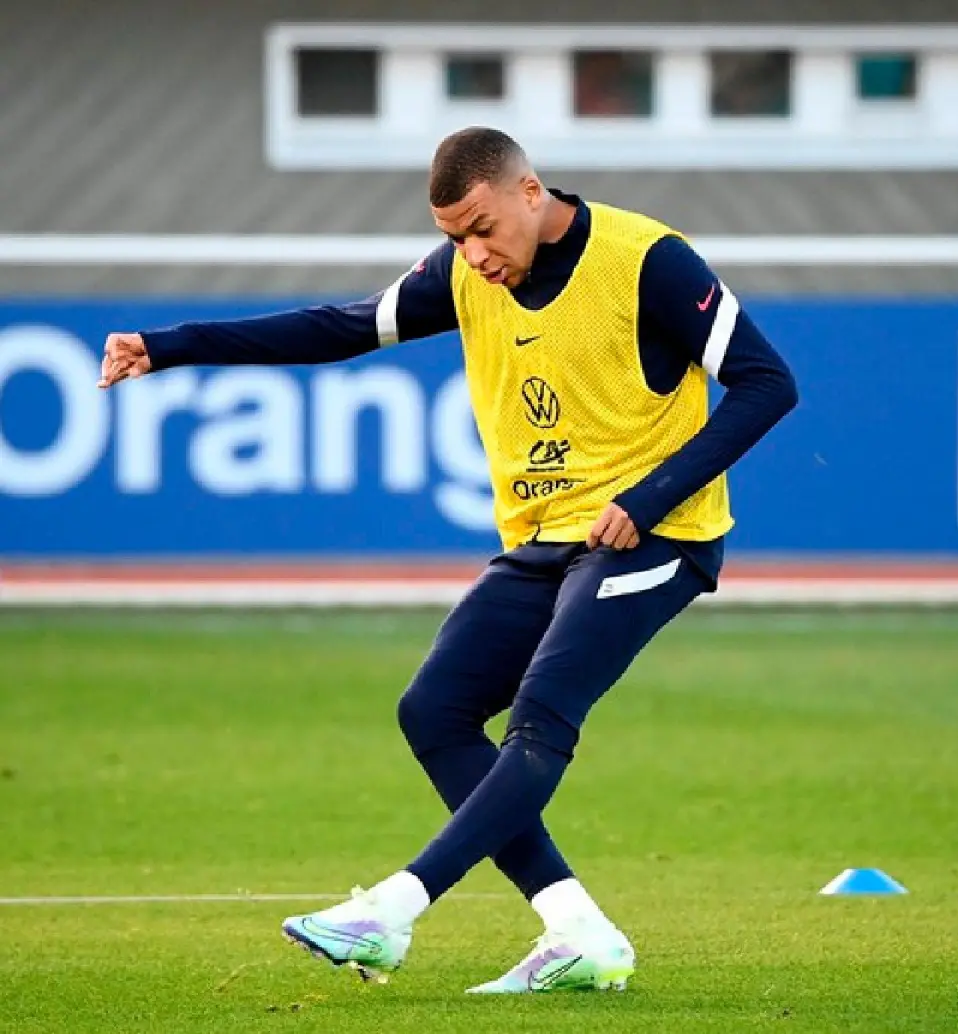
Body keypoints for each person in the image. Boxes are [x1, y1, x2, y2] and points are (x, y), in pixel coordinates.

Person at [98, 126, 798, 995]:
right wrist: (168, 346)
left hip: (658, 536)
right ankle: (577, 930)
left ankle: (391, 911)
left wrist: (645, 500)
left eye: (480, 228)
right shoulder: (464, 271)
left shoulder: (648, 259)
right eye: (452, 237)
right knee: (434, 711)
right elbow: (341, 327)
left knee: (541, 714)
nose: (471, 254)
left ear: (530, 192)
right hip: (546, 541)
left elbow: (770, 381)